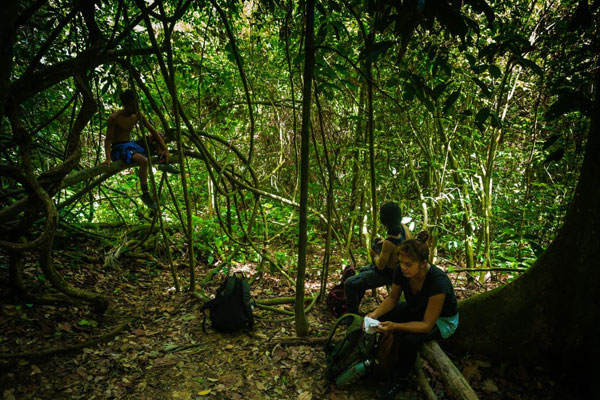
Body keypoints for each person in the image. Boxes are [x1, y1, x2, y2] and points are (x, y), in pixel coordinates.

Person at [366, 231, 459, 399]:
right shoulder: (401, 272)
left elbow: (426, 326)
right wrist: (374, 313)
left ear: (423, 264)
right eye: (401, 262)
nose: (403, 267)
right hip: (418, 308)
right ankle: (375, 358)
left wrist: (396, 326)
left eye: (409, 264)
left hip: (441, 321)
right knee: (381, 318)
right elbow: (393, 298)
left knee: (410, 339)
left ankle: (400, 378)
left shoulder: (438, 283)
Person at [103, 89, 179, 209]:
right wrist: (108, 159)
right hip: (119, 149)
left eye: (136, 104)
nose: (135, 107)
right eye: (132, 105)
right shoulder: (115, 118)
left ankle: (162, 161)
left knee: (158, 134)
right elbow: (108, 140)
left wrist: (165, 149)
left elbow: (152, 130)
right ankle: (145, 194)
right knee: (144, 161)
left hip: (130, 144)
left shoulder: (137, 114)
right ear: (126, 105)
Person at [344, 202, 413, 314]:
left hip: (388, 274)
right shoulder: (404, 229)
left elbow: (380, 266)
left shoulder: (389, 243)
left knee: (349, 283)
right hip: (399, 268)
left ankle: (352, 313)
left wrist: (375, 254)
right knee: (362, 271)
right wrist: (384, 242)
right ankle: (356, 307)